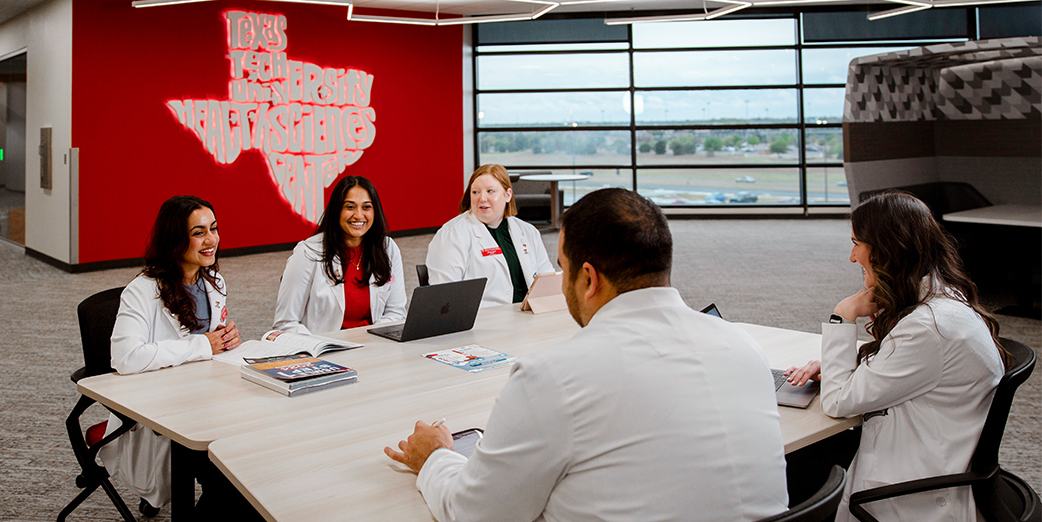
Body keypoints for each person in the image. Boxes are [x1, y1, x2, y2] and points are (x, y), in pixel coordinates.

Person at [384, 188, 789, 522]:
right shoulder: (743, 346)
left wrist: (435, 457)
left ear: (588, 278)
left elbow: (476, 514)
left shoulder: (553, 378)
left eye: (564, 270)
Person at [784, 191, 1009, 522]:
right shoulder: (943, 299)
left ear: (887, 250)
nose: (851, 257)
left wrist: (842, 316)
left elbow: (837, 402)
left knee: (793, 471)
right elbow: (909, 365)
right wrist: (843, 365)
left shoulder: (928, 328)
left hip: (912, 489)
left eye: (856, 243)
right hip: (931, 452)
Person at [99, 195, 256, 519]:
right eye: (199, 232)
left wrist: (226, 339)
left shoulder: (213, 281)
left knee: (253, 464)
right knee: (232, 487)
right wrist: (203, 345)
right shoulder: (142, 290)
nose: (211, 239)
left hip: (208, 396)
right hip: (165, 411)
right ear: (175, 239)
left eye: (214, 228)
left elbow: (208, 343)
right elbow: (126, 357)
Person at [274, 175, 406, 335]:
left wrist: (372, 339)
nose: (358, 215)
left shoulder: (388, 248)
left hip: (374, 346)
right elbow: (285, 323)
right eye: (350, 207)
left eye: (366, 207)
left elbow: (396, 313)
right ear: (337, 210)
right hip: (325, 349)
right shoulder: (307, 253)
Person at [425, 164, 553, 306]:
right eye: (475, 192)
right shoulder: (451, 235)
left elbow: (547, 281)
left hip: (529, 315)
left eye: (490, 191)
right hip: (482, 321)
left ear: (507, 195)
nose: (482, 198)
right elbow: (445, 297)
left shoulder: (528, 231)